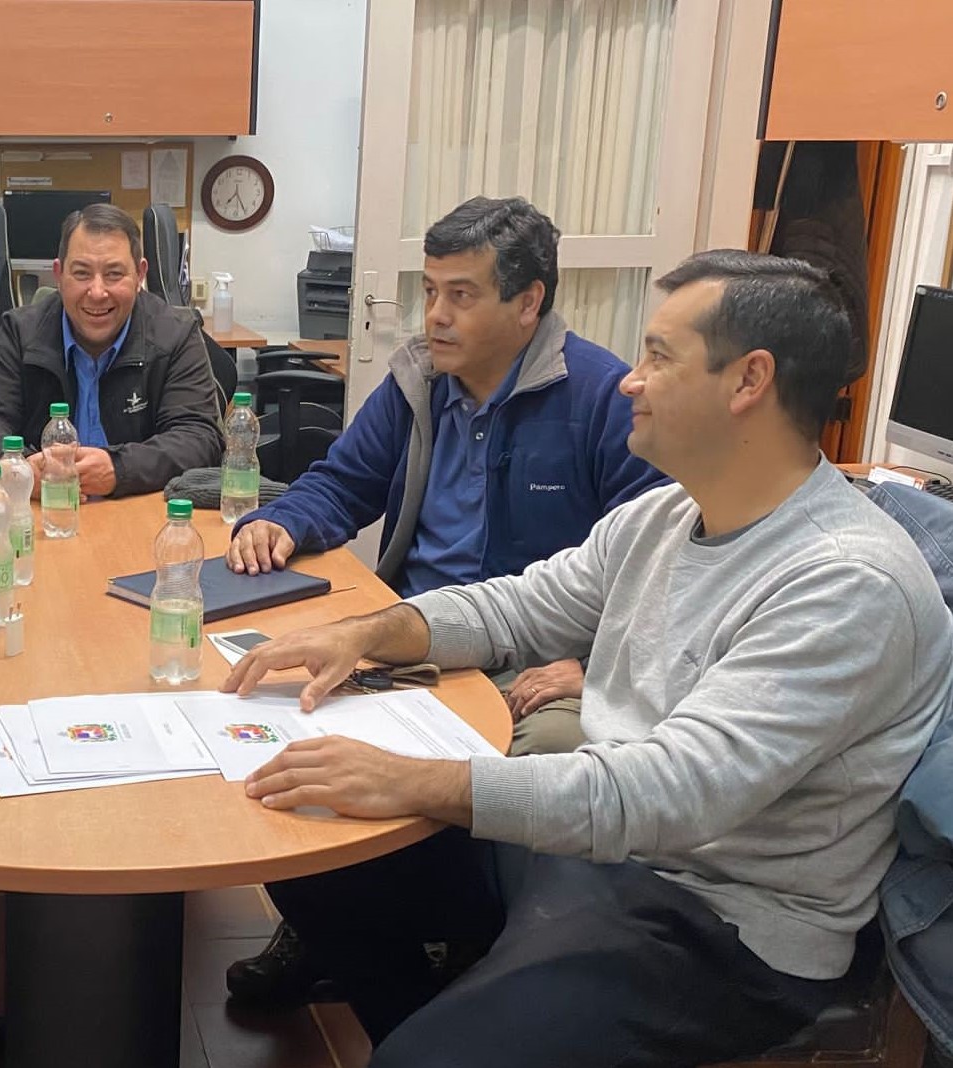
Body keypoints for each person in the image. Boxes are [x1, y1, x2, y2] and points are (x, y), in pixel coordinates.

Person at [220, 250, 953, 1067]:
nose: (629, 381)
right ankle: (445, 1024)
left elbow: (668, 793)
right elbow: (515, 607)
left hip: (721, 925)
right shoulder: (663, 517)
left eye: (659, 357)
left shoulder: (846, 581)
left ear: (749, 380)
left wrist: (411, 780)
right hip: (602, 855)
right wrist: (363, 634)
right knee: (304, 843)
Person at [222, 195, 665, 1005]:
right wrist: (281, 522)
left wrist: (592, 664)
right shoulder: (418, 382)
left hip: (536, 660)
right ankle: (342, 929)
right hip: (416, 638)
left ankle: (486, 956)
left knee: (550, 756)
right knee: (277, 740)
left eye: (461, 294)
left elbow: (655, 573)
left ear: (528, 302)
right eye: (429, 291)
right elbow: (343, 482)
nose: (435, 315)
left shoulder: (602, 399)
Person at [0, 202, 223, 496]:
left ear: (140, 275)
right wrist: (19, 469)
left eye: (114, 274)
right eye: (81, 273)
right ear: (58, 275)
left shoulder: (176, 334)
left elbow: (199, 438)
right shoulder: (20, 332)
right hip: (45, 511)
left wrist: (119, 469)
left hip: (136, 510)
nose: (97, 292)